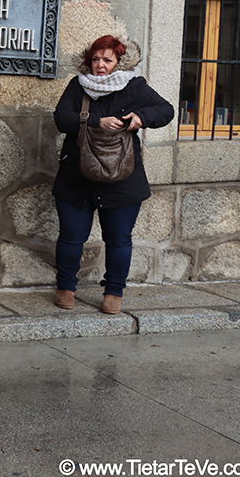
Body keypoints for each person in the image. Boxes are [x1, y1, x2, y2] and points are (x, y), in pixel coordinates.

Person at [52, 35, 174, 314]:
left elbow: (165, 110)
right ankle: (65, 288)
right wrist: (96, 121)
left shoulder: (134, 86)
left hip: (123, 177)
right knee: (71, 236)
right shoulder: (78, 85)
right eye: (95, 59)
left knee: (119, 239)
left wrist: (140, 117)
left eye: (108, 60)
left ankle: (114, 293)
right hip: (77, 176)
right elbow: (61, 118)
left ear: (119, 62)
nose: (100, 65)